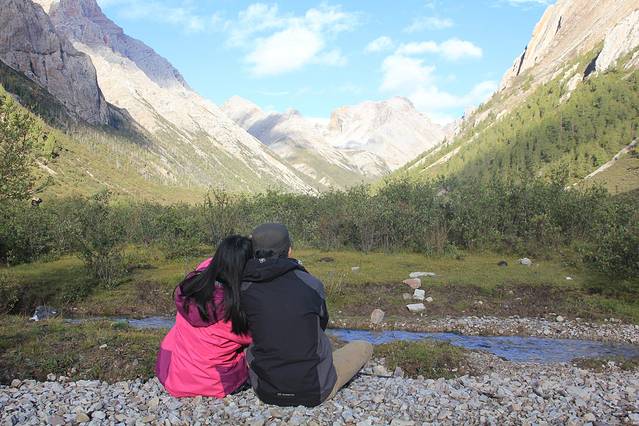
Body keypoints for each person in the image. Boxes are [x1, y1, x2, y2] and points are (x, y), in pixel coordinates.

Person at [240, 223, 373, 407]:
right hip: (315, 391)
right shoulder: (311, 283)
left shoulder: (244, 287)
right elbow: (321, 324)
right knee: (364, 345)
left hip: (266, 391)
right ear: (289, 251)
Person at [156, 235, 253, 398]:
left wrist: (235, 248)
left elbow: (209, 264)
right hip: (215, 385)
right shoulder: (232, 308)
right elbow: (257, 335)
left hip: (174, 379)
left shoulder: (192, 287)